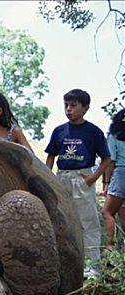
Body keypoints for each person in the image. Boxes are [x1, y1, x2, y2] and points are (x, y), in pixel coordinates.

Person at [45, 89, 111, 277]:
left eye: (73, 106)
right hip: (62, 177)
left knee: (87, 222)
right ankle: (66, 264)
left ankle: (91, 266)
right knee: (62, 220)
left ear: (85, 108)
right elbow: (51, 156)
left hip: (82, 177)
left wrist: (93, 178)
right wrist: (47, 177)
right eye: (66, 105)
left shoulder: (93, 131)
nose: (68, 109)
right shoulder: (59, 131)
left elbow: (106, 158)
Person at [101, 109, 125, 251]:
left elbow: (110, 161)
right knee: (123, 212)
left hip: (121, 173)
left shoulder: (113, 136)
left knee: (107, 212)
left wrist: (106, 183)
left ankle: (109, 246)